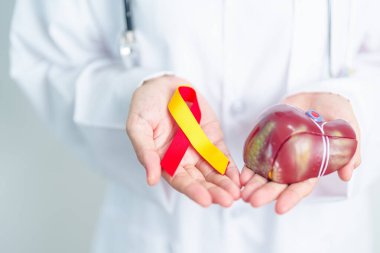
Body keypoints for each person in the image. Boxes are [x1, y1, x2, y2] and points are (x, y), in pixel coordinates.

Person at [10, 0, 380, 252]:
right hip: (158, 236)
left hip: (326, 237)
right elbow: (47, 55)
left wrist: (352, 110)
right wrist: (132, 96)